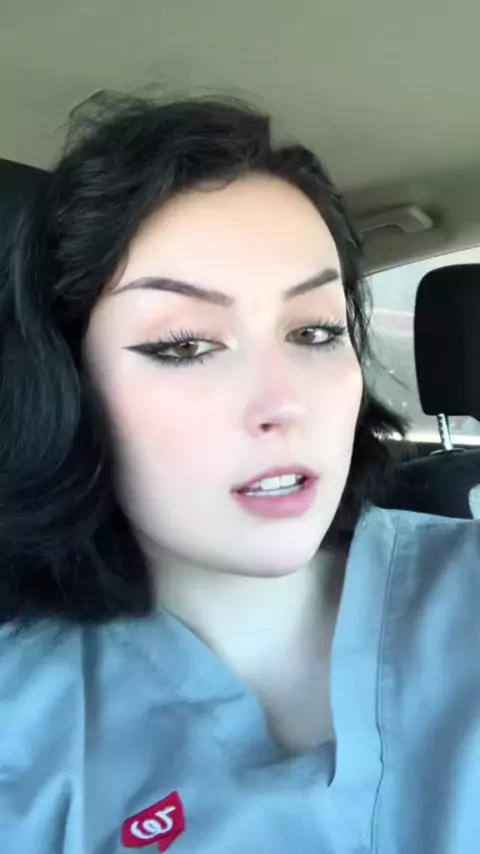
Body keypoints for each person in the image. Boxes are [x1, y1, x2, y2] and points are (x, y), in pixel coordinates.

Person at [0, 94, 478, 854]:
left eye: (314, 331)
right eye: (185, 345)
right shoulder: (21, 731)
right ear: (68, 383)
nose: (284, 403)